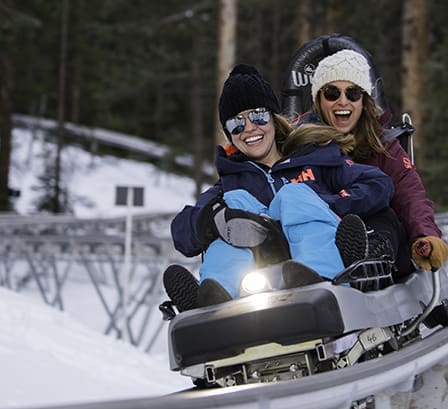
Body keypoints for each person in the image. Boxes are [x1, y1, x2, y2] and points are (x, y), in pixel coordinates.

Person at [166, 64, 395, 311]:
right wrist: (212, 221)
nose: (249, 128)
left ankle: (320, 274)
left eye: (258, 116)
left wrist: (324, 204)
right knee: (232, 208)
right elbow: (181, 231)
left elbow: (378, 183)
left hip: (317, 259)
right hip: (261, 270)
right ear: (229, 134)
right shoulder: (231, 183)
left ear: (274, 118)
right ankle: (214, 295)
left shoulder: (314, 159)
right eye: (236, 124)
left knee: (294, 196)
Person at [301, 48, 448, 278]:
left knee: (382, 214)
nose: (343, 101)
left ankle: (370, 261)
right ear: (319, 101)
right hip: (323, 234)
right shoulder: (303, 146)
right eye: (332, 93)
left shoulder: (384, 147)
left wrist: (425, 234)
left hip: (382, 236)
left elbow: (410, 194)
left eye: (352, 93)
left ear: (364, 101)